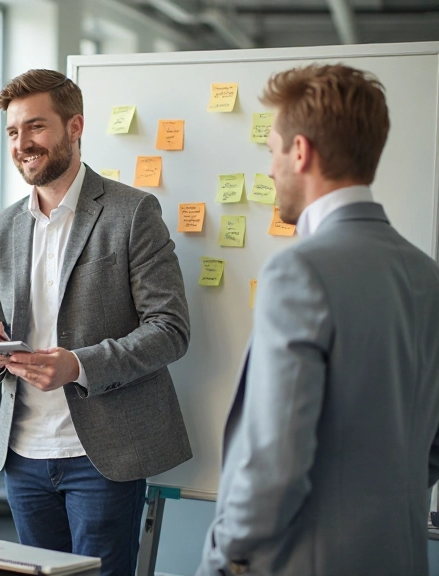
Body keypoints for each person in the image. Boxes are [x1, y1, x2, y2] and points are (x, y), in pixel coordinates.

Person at [198, 64, 439, 576]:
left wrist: (224, 555)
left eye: (272, 152)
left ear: (301, 152)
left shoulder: (298, 270)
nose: (269, 170)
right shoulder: (427, 273)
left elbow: (274, 461)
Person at [0, 69, 192, 576]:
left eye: (36, 127)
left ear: (75, 127)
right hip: (23, 455)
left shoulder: (132, 212)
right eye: (12, 131)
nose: (22, 143)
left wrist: (78, 365)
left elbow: (171, 328)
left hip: (102, 455)